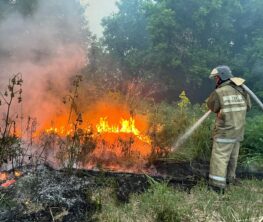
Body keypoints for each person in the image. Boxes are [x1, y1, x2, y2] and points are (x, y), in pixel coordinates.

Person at [207, 65, 251, 193]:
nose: (215, 81)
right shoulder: (241, 89)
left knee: (220, 157)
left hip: (225, 132)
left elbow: (212, 107)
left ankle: (217, 186)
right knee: (233, 157)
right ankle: (230, 179)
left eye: (216, 78)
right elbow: (248, 106)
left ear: (221, 77)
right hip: (238, 131)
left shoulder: (219, 92)